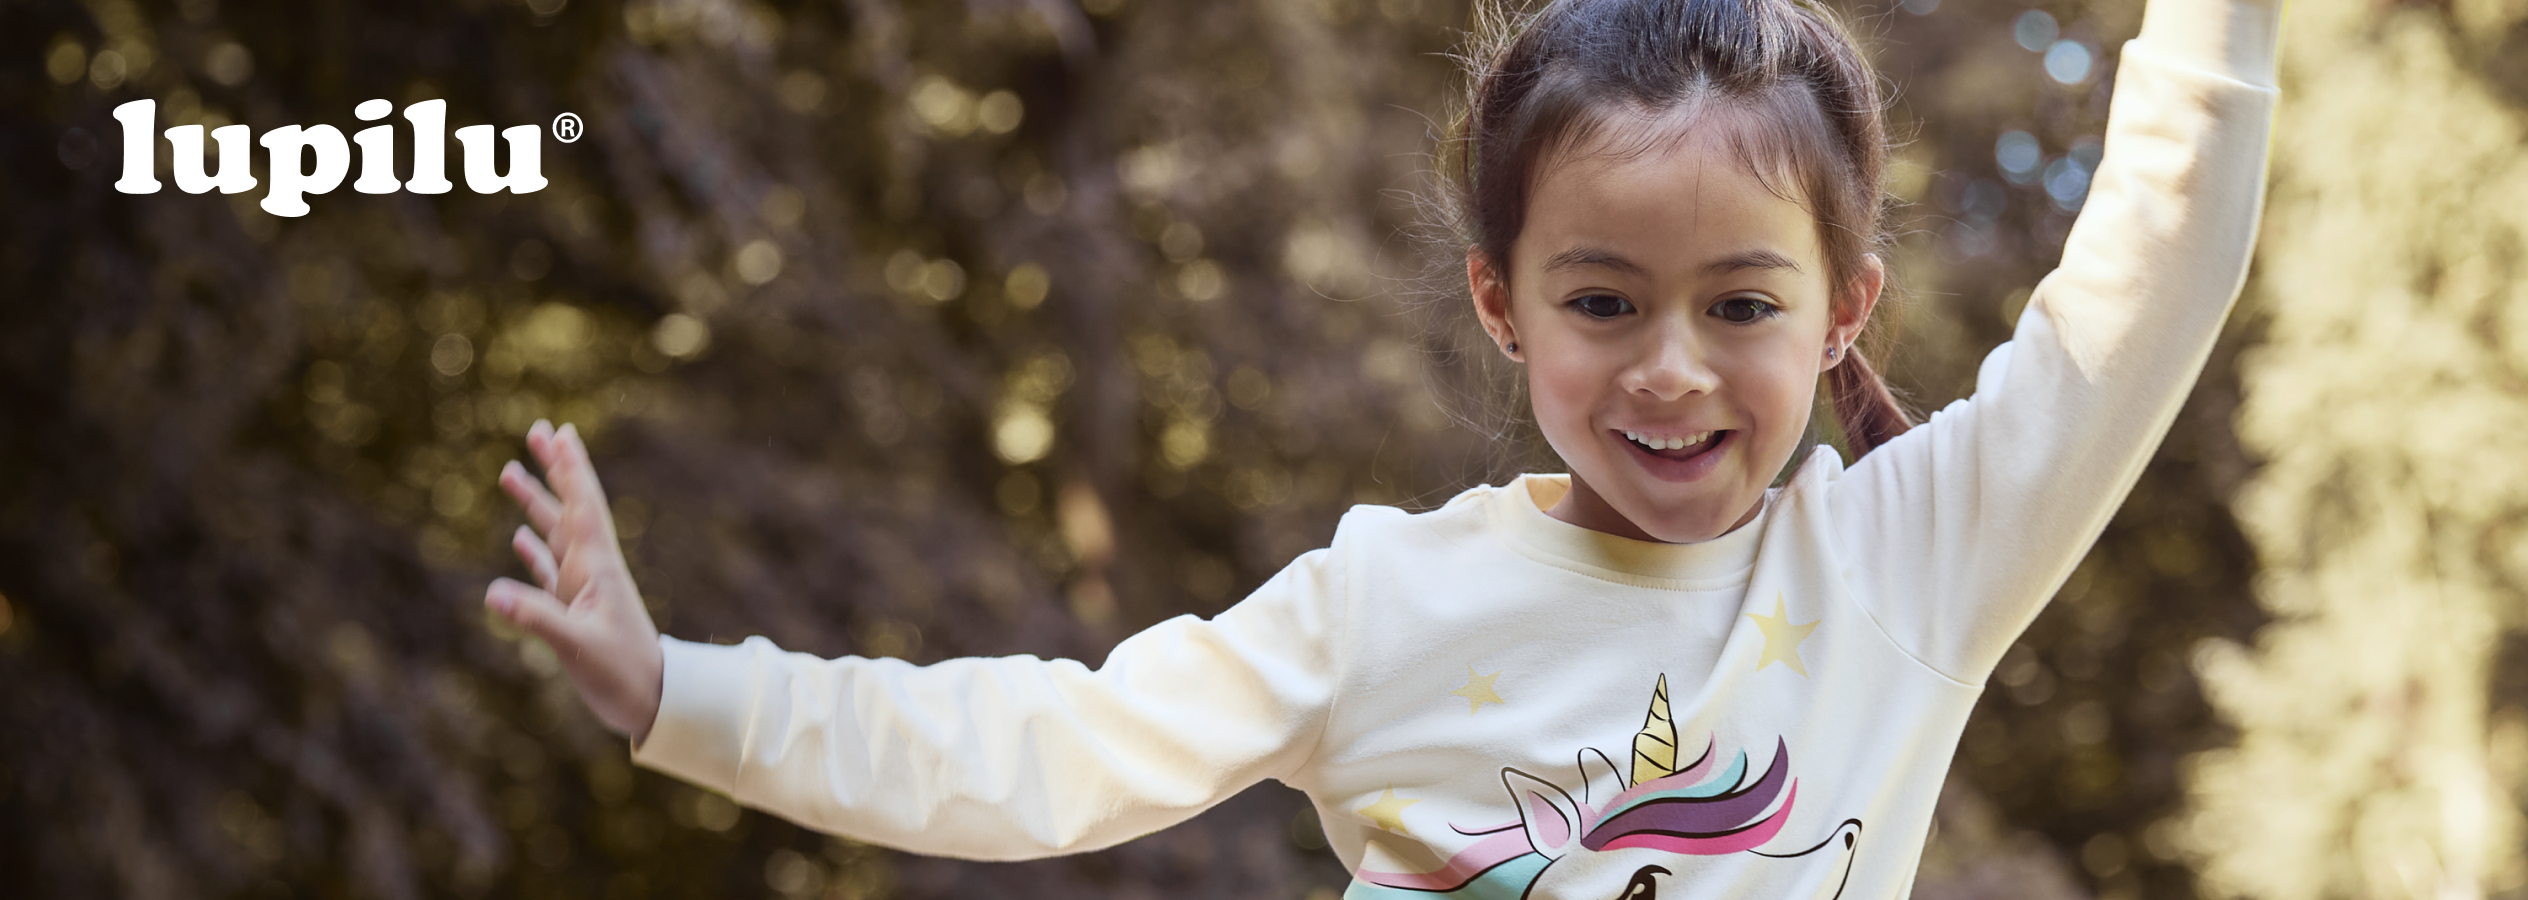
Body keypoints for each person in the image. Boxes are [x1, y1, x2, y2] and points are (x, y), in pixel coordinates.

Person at [484, 0, 2282, 895]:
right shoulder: (1384, 602)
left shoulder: (1910, 564)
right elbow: (1041, 748)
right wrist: (675, 692)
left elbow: (2157, 249)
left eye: (1742, 307)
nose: (1672, 370)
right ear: (1504, 305)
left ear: (1842, 313)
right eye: (1602, 304)